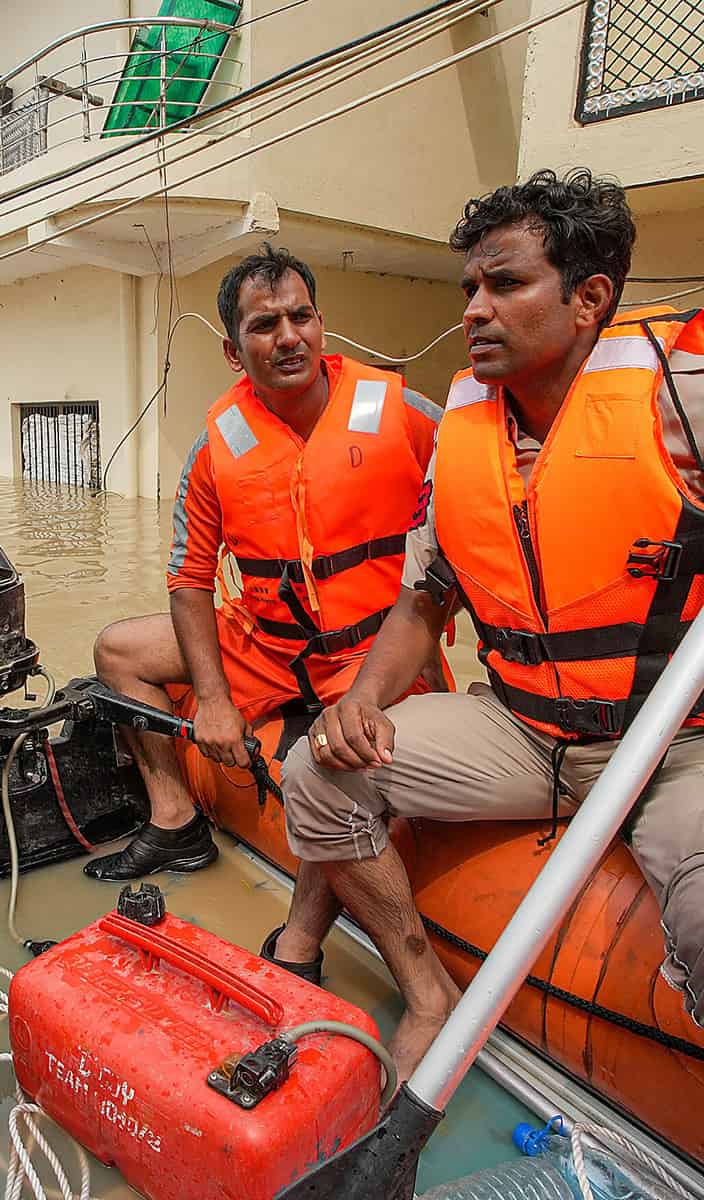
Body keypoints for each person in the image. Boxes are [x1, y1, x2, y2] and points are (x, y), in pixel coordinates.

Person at [279, 168, 704, 1080]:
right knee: (316, 771)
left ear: (590, 299)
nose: (475, 308)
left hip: (675, 746)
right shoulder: (465, 421)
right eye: (469, 286)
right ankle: (429, 993)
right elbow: (426, 597)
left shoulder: (681, 392)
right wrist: (362, 699)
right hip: (521, 729)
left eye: (505, 284)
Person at [86, 245, 450, 971]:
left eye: (301, 317)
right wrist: (212, 699)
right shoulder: (215, 446)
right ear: (233, 349)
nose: (288, 337)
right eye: (264, 325)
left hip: (369, 654)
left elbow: (478, 521)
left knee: (340, 756)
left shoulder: (404, 413)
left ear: (321, 324)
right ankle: (175, 816)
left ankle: (300, 942)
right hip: (266, 645)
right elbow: (190, 577)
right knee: (116, 650)